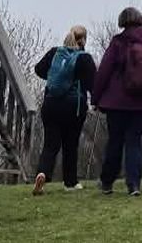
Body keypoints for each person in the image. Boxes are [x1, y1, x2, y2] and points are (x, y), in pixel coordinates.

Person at [90, 7, 142, 196]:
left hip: (117, 102)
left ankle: (107, 182)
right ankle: (134, 184)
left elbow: (104, 71)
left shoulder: (118, 42)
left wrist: (96, 98)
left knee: (115, 140)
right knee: (134, 141)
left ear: (122, 21)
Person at [31, 25, 96, 194]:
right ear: (84, 40)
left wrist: (54, 76)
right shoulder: (84, 58)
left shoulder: (54, 53)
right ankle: (70, 182)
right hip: (74, 106)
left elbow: (38, 69)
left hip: (51, 104)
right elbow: (92, 84)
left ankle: (42, 173)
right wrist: (97, 102)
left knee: (50, 144)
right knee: (70, 144)